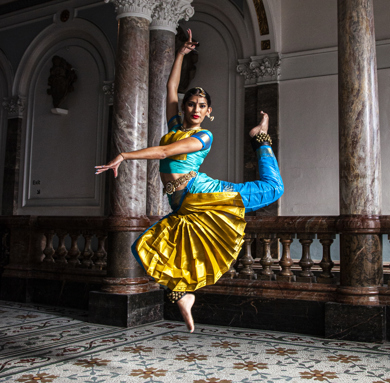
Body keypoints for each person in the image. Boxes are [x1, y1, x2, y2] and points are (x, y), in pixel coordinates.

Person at [95, 29, 283, 333]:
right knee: (145, 248)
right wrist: (181, 53)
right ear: (185, 107)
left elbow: (166, 151)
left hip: (204, 194)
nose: (195, 109)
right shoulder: (174, 126)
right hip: (183, 204)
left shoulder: (202, 136)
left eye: (201, 106)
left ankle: (260, 137)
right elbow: (171, 87)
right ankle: (182, 295)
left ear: (209, 113)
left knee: (274, 189)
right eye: (191, 104)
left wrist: (125, 155)